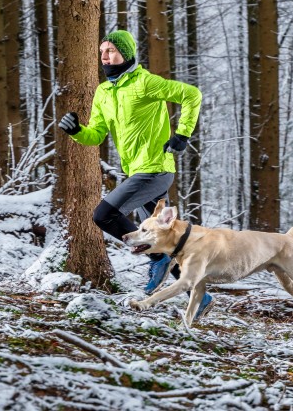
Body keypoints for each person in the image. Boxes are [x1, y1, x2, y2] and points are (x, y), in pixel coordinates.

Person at [57, 30, 213, 318]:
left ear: (126, 54)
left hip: (155, 169)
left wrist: (183, 134)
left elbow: (192, 95)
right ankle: (200, 297)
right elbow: (96, 134)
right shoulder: (104, 92)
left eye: (112, 51)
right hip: (136, 171)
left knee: (103, 215)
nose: (105, 56)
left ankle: (154, 256)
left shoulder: (144, 82)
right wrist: (77, 131)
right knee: (166, 239)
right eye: (102, 51)